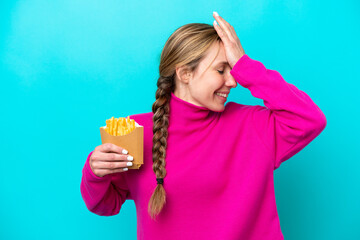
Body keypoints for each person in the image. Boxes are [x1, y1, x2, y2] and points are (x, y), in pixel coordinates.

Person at [80, 12, 327, 240]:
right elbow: (105, 204)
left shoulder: (253, 125)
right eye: (221, 70)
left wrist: (245, 66)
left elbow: (309, 119)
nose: (233, 81)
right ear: (184, 73)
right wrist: (95, 173)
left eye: (233, 70)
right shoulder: (136, 131)